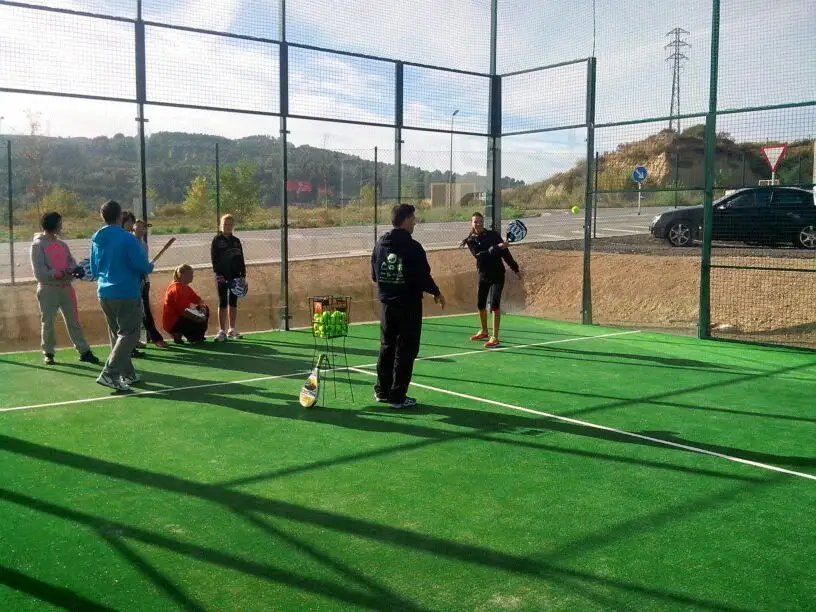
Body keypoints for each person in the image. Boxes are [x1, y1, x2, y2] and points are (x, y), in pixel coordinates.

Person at [371, 203, 445, 409]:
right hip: (408, 305)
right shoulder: (413, 248)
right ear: (405, 220)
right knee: (406, 350)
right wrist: (436, 292)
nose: (415, 223)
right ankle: (397, 396)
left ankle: (382, 390)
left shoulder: (380, 244)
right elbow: (423, 276)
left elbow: (375, 275)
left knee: (387, 346)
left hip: (386, 305)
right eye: (413, 219)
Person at [90, 199, 154, 392]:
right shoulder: (127, 239)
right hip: (126, 292)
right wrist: (148, 266)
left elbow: (94, 268)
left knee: (119, 335)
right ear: (120, 217)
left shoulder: (96, 239)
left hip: (104, 292)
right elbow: (141, 265)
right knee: (130, 334)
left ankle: (127, 373)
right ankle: (109, 373)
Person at [29, 211, 100, 366]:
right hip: (48, 289)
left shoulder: (62, 244)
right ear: (52, 225)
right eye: (59, 223)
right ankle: (48, 353)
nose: (61, 226)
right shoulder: (37, 245)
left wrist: (75, 269)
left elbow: (71, 261)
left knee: (74, 321)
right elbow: (39, 272)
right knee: (48, 322)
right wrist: (57, 273)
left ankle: (84, 351)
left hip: (66, 288)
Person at [459, 212, 522, 348]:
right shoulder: (471, 241)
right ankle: (484, 331)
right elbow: (479, 255)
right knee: (480, 304)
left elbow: (505, 253)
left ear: (483, 222)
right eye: (475, 222)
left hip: (498, 275)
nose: (478, 224)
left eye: (480, 221)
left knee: (494, 305)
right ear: (471, 223)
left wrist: (515, 268)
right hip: (483, 275)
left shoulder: (493, 235)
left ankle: (495, 337)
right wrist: (497, 247)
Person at [210, 214, 247, 342]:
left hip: (235, 276)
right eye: (225, 224)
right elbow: (214, 259)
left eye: (230, 224)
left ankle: (232, 329)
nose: (228, 226)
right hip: (222, 276)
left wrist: (243, 276)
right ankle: (221, 331)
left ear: (233, 226)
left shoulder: (236, 241)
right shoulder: (217, 240)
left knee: (233, 302)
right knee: (222, 301)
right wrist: (218, 274)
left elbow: (241, 259)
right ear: (221, 225)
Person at [133, 219, 167, 348]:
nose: (140, 229)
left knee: (145, 310)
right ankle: (135, 340)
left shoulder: (144, 245)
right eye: (138, 227)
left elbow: (143, 263)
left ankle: (155, 338)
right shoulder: (129, 242)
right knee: (135, 311)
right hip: (133, 282)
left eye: (142, 227)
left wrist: (147, 268)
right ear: (133, 227)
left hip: (144, 281)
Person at [162, 264, 210, 344]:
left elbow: (198, 299)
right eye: (190, 274)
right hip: (173, 322)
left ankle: (194, 335)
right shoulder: (177, 289)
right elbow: (184, 311)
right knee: (197, 315)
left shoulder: (186, 287)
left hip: (180, 317)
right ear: (182, 275)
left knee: (204, 309)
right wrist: (199, 317)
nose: (192, 276)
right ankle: (189, 336)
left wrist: (202, 308)